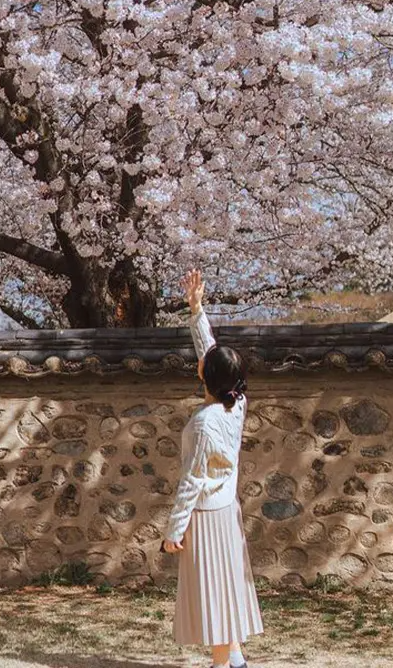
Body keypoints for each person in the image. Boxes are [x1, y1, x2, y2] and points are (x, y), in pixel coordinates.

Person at [163, 269, 264, 668]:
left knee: (214, 590)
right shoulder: (235, 403)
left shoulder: (204, 423)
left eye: (205, 362)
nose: (201, 361)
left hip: (205, 517)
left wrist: (173, 531)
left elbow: (191, 481)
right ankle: (235, 655)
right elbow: (212, 352)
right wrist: (196, 309)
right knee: (227, 583)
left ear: (208, 374)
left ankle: (222, 663)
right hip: (226, 511)